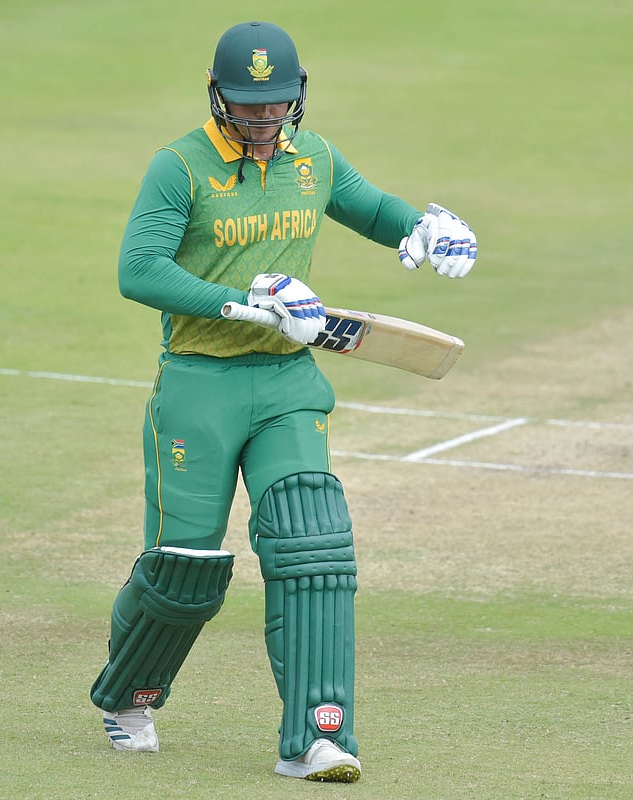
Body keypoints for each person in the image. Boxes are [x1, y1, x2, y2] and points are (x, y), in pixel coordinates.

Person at [89, 20, 476, 783]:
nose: (261, 121)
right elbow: (138, 270)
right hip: (200, 382)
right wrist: (248, 302)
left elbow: (367, 208)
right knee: (184, 569)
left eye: (274, 107)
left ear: (297, 97)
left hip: (288, 385)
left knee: (313, 546)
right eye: (246, 106)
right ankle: (126, 695)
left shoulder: (313, 158)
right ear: (216, 95)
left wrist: (424, 225)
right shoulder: (181, 167)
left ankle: (315, 737)